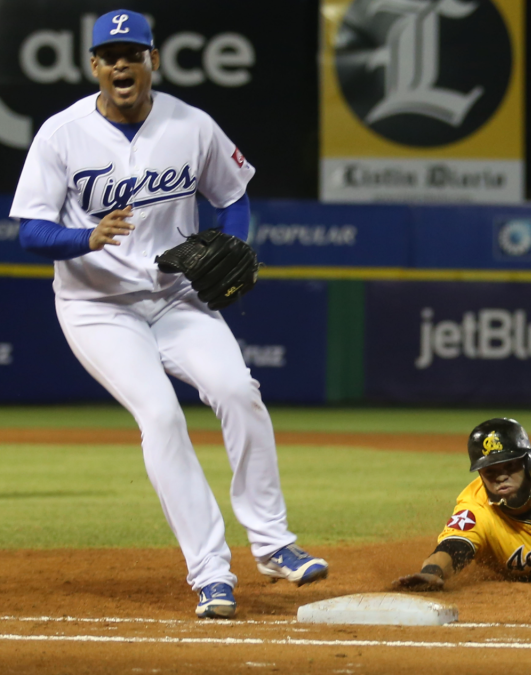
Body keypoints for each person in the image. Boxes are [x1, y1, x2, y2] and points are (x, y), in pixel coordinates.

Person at [9, 9, 327, 619]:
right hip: (97, 306)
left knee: (239, 391)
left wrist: (235, 244)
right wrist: (84, 238)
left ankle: (273, 543)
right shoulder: (61, 133)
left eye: (133, 53)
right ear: (94, 66)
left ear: (153, 60)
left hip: (176, 296)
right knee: (160, 416)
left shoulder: (192, 125)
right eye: (110, 55)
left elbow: (232, 198)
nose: (122, 64)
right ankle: (211, 574)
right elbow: (30, 233)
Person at [393, 418, 531, 590]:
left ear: (529, 463)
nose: (501, 477)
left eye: (509, 466)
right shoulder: (476, 508)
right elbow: (454, 547)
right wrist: (433, 572)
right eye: (490, 471)